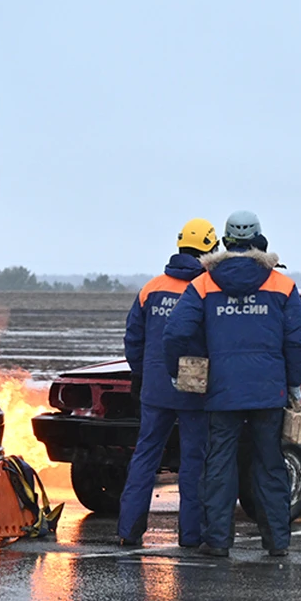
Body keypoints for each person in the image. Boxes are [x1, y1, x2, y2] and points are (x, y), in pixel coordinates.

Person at [163, 210, 301, 557]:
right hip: (268, 392)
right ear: (259, 239)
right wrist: (294, 384)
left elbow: (175, 333)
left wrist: (177, 371)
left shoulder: (204, 283)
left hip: (221, 392)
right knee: (270, 465)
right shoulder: (282, 285)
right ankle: (277, 542)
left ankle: (217, 541)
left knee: (219, 465)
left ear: (225, 241)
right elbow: (298, 342)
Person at [117, 218, 219, 548]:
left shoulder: (151, 288)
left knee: (145, 457)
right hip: (194, 388)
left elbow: (133, 338)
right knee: (193, 463)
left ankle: (128, 532)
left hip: (155, 388)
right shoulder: (207, 289)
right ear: (209, 249)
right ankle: (191, 537)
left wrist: (141, 374)